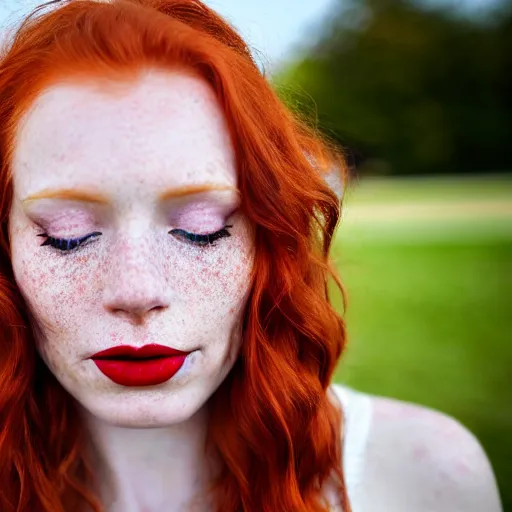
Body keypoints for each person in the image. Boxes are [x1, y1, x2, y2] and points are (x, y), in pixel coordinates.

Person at [0, 1, 503, 511]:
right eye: (68, 234)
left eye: (202, 229)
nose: (137, 291)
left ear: (268, 237)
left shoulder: (421, 478)